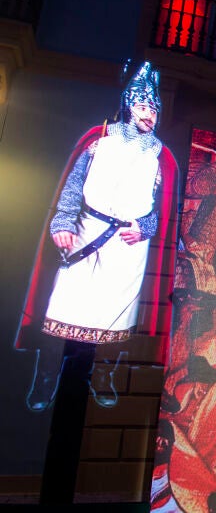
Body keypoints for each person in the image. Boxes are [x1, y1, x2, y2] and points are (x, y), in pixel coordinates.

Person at [17, 61, 178, 411]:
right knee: (63, 308)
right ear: (128, 105)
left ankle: (103, 376)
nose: (149, 115)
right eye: (143, 106)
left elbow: (162, 209)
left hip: (128, 247)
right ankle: (46, 380)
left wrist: (145, 227)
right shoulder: (99, 140)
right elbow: (74, 186)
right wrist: (63, 222)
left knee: (114, 317)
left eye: (154, 110)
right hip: (86, 233)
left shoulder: (159, 155)